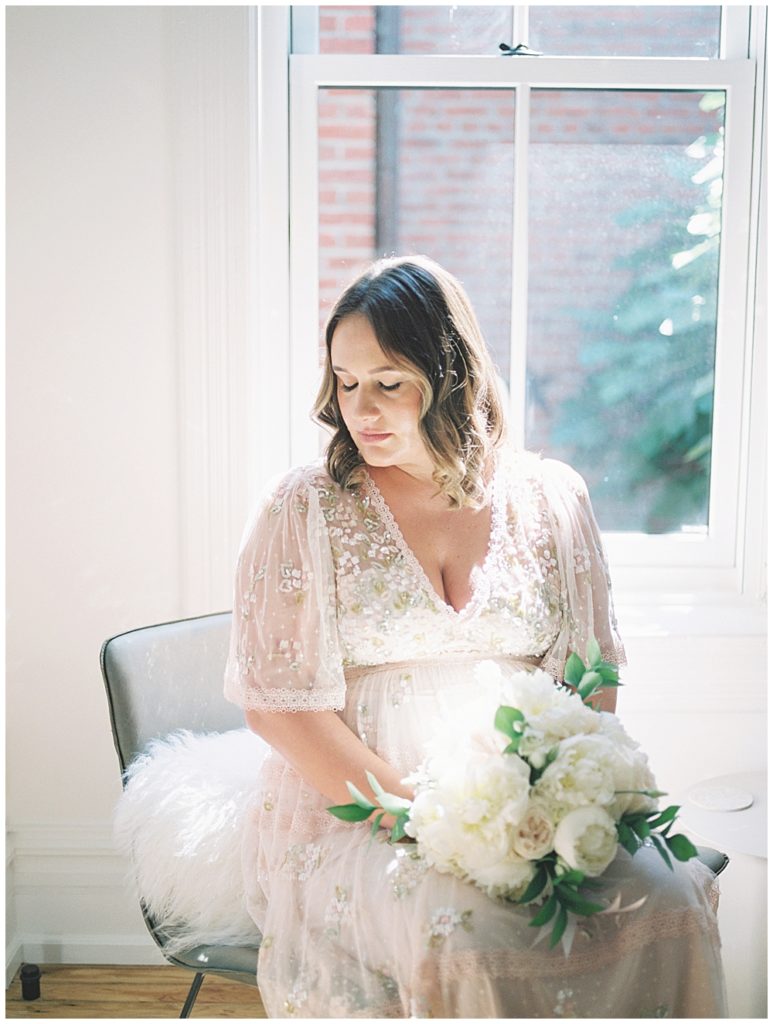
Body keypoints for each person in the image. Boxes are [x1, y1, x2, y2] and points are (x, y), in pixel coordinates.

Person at [224, 255, 726, 1018]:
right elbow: (279, 709)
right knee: (463, 936)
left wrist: (550, 803)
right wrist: (420, 818)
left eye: (388, 382)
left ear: (447, 375)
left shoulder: (549, 497)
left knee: (669, 900)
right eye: (346, 382)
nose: (361, 409)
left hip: (530, 803)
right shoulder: (307, 507)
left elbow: (590, 682)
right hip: (360, 814)